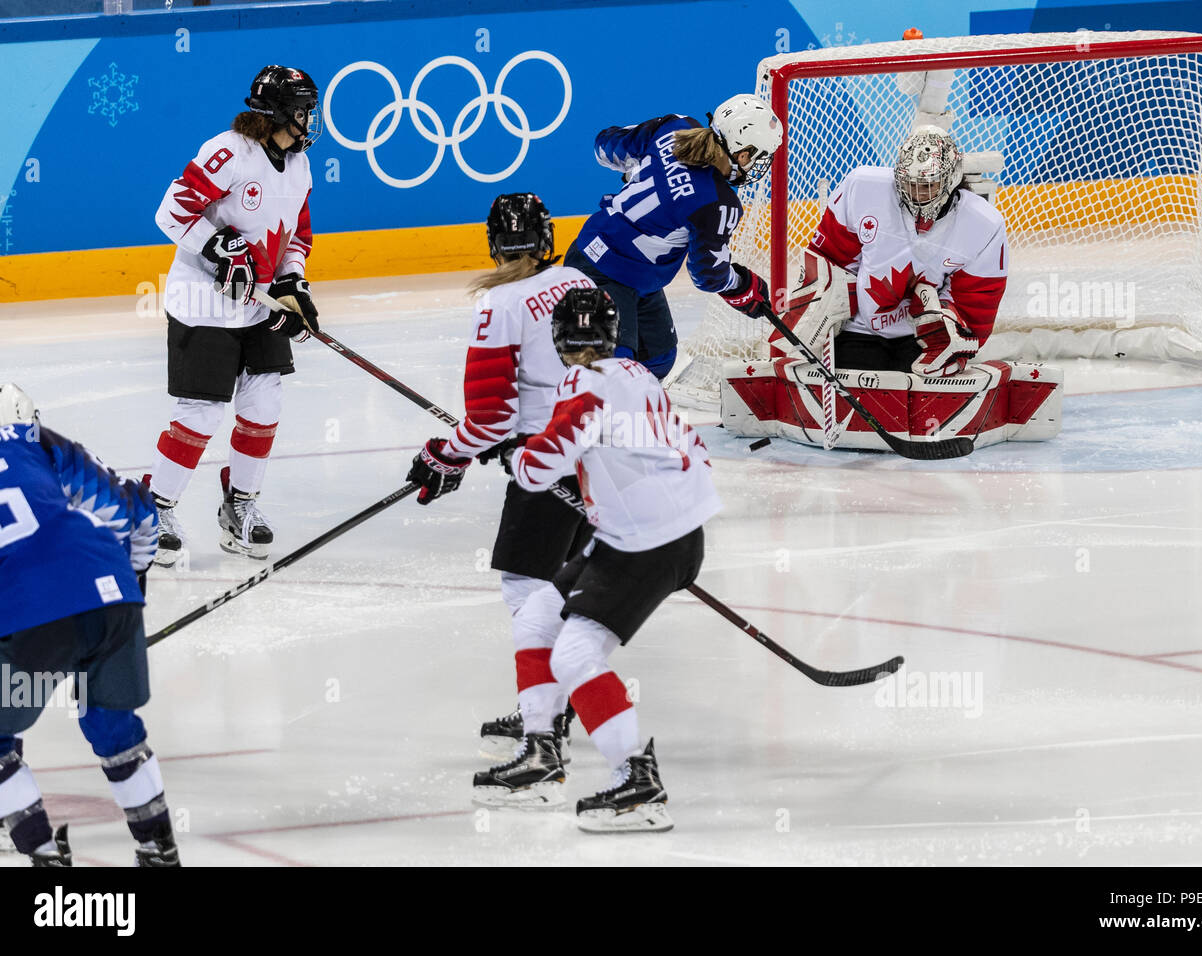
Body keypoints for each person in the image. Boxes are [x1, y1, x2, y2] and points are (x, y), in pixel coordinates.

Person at [470, 289, 721, 833]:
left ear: (558, 339)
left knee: (575, 654)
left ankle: (636, 781)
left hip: (647, 541)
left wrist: (517, 454)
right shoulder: (634, 373)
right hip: (651, 531)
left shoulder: (581, 385)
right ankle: (541, 754)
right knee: (539, 615)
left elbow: (543, 468)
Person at [404, 193, 595, 761]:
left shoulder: (499, 305)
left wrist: (446, 454)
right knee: (569, 583)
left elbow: (491, 418)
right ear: (547, 239)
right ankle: (562, 701)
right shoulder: (579, 281)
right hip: (597, 453)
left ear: (494, 244)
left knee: (527, 588)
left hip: (545, 462)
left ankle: (545, 720)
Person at [0, 383, 179, 866]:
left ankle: (45, 856)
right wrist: (124, 595)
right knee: (111, 722)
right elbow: (136, 511)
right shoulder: (36, 443)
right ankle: (159, 851)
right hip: (109, 588)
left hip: (27, 611)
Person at [147, 64, 322, 566]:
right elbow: (171, 212)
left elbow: (298, 236)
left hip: (256, 304)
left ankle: (239, 505)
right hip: (204, 304)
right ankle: (154, 507)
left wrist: (293, 282)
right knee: (201, 413)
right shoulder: (228, 152)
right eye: (304, 109)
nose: (311, 119)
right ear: (281, 113)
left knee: (264, 404)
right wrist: (217, 244)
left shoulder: (300, 165)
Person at [564, 95, 784, 379]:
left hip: (632, 274)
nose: (759, 165)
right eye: (760, 156)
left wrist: (638, 170)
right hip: (600, 271)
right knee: (611, 371)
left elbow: (604, 146)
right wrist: (742, 285)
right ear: (743, 153)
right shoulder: (718, 203)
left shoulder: (674, 127)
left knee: (658, 358)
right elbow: (708, 274)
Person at [779, 124, 1008, 377]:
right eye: (909, 184)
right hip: (859, 329)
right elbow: (830, 259)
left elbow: (976, 306)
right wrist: (818, 310)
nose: (917, 195)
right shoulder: (863, 188)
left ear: (950, 179)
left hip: (920, 340)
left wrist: (947, 331)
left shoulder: (984, 224)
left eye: (928, 186)